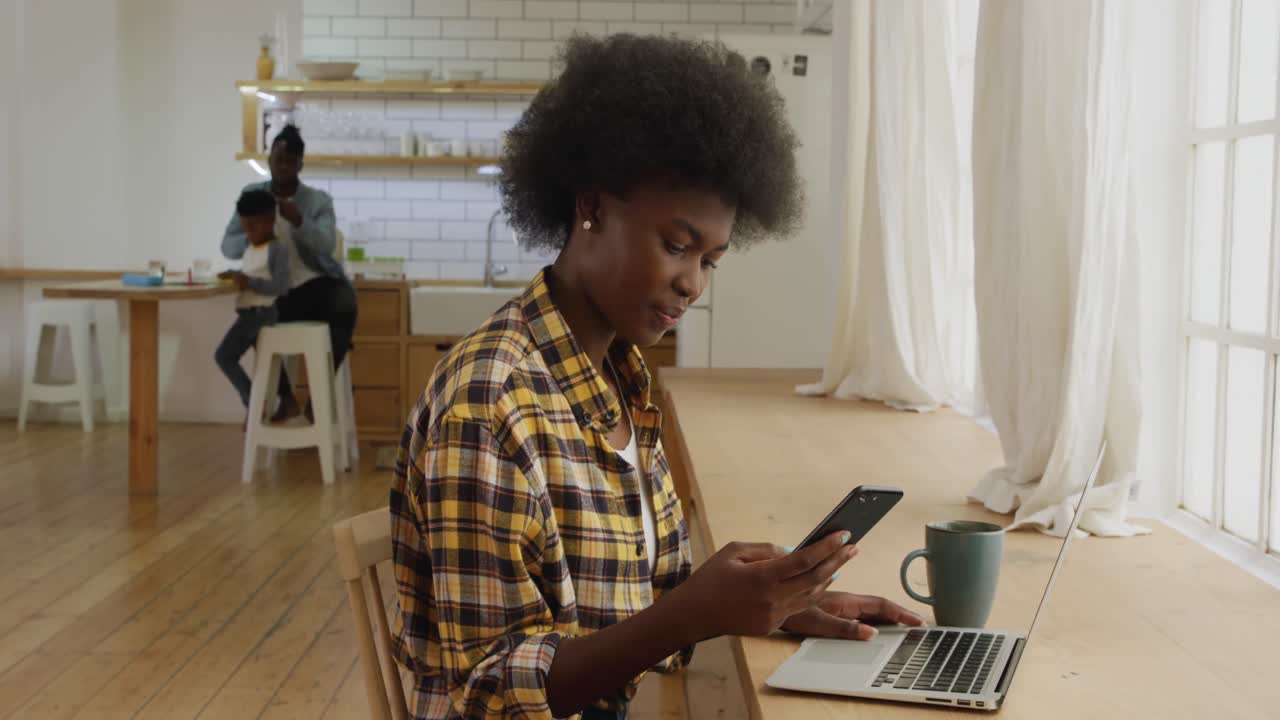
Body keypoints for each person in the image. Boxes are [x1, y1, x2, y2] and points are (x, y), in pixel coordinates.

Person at [389, 34, 924, 720]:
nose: (692, 283)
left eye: (711, 260)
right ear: (591, 208)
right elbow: (490, 695)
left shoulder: (620, 376)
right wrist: (689, 616)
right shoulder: (489, 408)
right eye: (676, 245)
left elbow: (641, 598)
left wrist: (779, 605)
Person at [221, 124, 357, 421]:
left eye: (290, 161)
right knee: (254, 318)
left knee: (345, 303)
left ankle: (318, 397)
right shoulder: (253, 195)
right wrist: (256, 229)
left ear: (300, 165)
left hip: (310, 284)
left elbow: (326, 245)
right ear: (269, 160)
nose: (282, 167)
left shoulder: (318, 201)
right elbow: (228, 246)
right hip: (273, 289)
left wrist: (299, 222)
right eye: (277, 160)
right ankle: (286, 397)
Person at [214, 190, 290, 410]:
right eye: (244, 227)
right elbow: (254, 271)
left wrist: (249, 282)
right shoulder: (250, 247)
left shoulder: (277, 249)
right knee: (271, 359)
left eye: (252, 227)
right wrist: (234, 274)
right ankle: (285, 400)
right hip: (250, 312)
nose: (248, 233)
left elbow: (280, 286)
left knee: (224, 356)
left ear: (270, 221)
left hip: (260, 313)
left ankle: (254, 402)